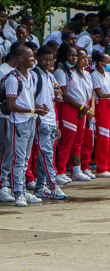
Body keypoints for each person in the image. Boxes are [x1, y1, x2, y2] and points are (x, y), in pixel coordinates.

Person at [6, 46, 43, 206]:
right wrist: (32, 109)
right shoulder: (13, 79)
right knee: (19, 159)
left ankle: (23, 191)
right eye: (31, 57)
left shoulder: (32, 77)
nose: (33, 59)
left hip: (31, 120)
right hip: (19, 122)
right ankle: (18, 193)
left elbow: (31, 98)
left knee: (26, 158)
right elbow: (11, 105)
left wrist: (39, 109)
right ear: (20, 58)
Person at [54, 44, 94, 182]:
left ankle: (76, 170)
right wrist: (82, 107)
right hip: (68, 108)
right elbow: (65, 95)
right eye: (71, 55)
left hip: (80, 109)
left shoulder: (78, 72)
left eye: (76, 55)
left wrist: (84, 108)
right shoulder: (61, 71)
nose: (74, 58)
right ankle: (60, 171)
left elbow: (85, 92)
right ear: (64, 55)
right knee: (67, 141)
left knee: (78, 141)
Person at [31, 46, 64, 200]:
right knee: (46, 154)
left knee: (43, 155)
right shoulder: (34, 75)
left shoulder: (50, 76)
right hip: (41, 120)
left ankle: (39, 187)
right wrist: (37, 114)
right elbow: (30, 97)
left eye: (51, 60)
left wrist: (56, 122)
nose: (48, 62)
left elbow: (54, 96)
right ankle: (53, 186)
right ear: (37, 58)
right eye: (45, 59)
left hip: (50, 120)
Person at [90, 51, 110, 177]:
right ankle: (101, 168)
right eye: (107, 62)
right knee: (104, 136)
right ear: (100, 63)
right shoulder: (94, 75)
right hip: (102, 106)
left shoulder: (108, 75)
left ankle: (109, 165)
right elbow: (100, 94)